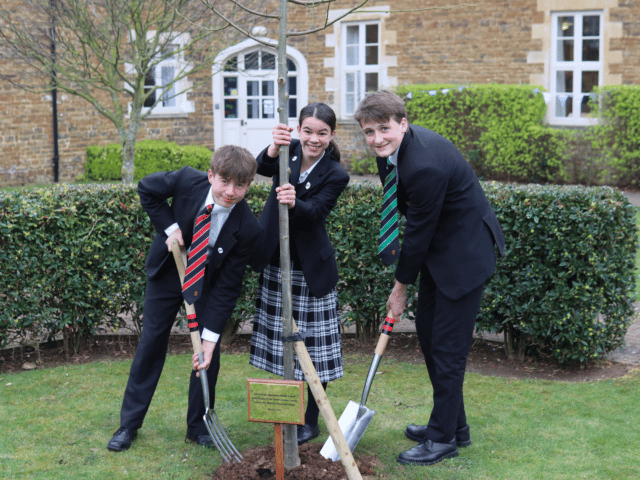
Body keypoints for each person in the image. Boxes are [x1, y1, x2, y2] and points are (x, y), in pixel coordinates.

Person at [354, 90, 505, 466]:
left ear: (403, 123)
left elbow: (418, 232)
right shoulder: (395, 149)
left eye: (384, 129)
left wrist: (399, 288)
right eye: (369, 132)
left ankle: (442, 440)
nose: (377, 139)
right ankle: (455, 425)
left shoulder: (424, 166)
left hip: (464, 255)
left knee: (448, 349)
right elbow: (409, 212)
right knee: (429, 334)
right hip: (442, 250)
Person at [107, 145, 260, 451]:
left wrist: (210, 338)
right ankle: (129, 425)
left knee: (207, 354)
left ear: (248, 186)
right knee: (151, 342)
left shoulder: (247, 227)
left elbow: (228, 287)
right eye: (224, 182)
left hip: (207, 282)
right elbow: (147, 188)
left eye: (240, 185)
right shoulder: (187, 181)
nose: (230, 192)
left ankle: (199, 426)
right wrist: (172, 227)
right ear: (210, 175)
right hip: (168, 272)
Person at [249, 103, 350, 445]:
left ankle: (310, 421)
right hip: (277, 261)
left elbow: (317, 212)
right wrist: (273, 146)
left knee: (315, 349)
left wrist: (295, 202)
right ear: (298, 129)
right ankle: (286, 414)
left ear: (331, 135)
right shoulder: (288, 150)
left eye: (322, 133)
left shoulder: (336, 174)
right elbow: (259, 167)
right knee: (283, 347)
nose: (314, 139)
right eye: (307, 131)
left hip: (310, 270)